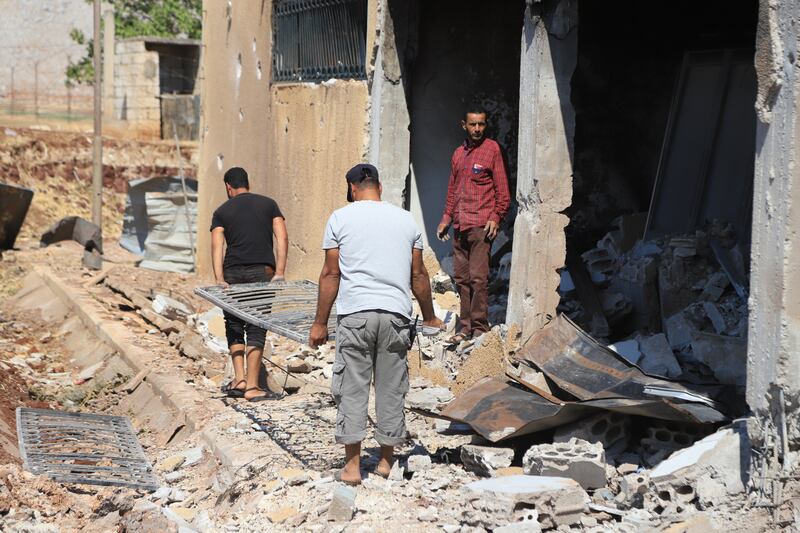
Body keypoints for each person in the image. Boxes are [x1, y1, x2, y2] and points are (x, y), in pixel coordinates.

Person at [308, 163, 444, 486]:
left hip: (356, 314)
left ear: (353, 189)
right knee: (390, 385)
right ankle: (385, 462)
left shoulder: (340, 218)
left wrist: (320, 323)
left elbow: (331, 274)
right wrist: (429, 316)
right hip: (395, 314)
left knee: (352, 386)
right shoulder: (406, 220)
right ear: (379, 188)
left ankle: (353, 468)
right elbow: (419, 275)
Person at [210, 166, 288, 402]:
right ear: (248, 183)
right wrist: (280, 271)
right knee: (256, 325)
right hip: (261, 270)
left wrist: (219, 278)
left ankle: (240, 379)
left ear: (228, 187)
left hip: (232, 272)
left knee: (234, 324)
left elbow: (217, 246)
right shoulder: (269, 204)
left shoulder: (221, 211)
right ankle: (253, 386)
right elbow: (282, 236)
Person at [436, 106, 511, 343]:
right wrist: (446, 218)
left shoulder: (492, 151)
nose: (477, 129)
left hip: (481, 225)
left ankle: (479, 327)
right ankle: (464, 327)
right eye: (473, 124)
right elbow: (453, 190)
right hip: (460, 225)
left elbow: (503, 191)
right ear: (464, 125)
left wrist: (496, 217)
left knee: (479, 278)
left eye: (481, 124)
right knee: (461, 278)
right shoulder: (458, 154)